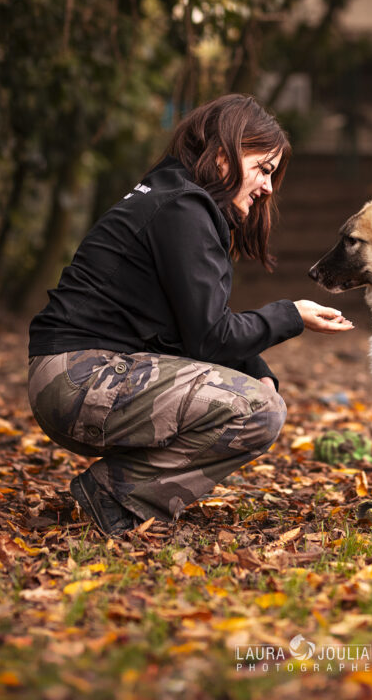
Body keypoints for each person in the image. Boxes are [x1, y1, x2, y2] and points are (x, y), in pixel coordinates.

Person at [27, 94, 353, 538]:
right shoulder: (183, 207)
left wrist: (257, 369)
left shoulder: (174, 197)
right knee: (258, 410)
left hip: (74, 378)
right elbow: (210, 337)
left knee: (260, 397)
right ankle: (116, 493)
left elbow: (192, 325)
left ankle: (120, 489)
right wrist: (291, 314)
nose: (268, 188)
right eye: (263, 169)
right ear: (224, 156)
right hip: (78, 379)